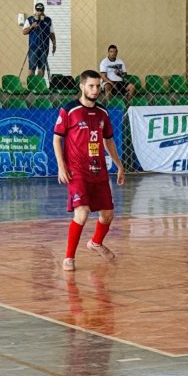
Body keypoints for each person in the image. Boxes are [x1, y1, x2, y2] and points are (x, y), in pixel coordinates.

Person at [53, 69, 126, 272]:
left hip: (99, 171)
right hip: (77, 171)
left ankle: (95, 243)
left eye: (97, 86)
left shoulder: (103, 112)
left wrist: (119, 165)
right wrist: (61, 166)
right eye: (91, 86)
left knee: (108, 215)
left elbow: (108, 140)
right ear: (82, 86)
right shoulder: (69, 110)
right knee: (82, 212)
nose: (95, 90)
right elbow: (57, 139)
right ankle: (69, 257)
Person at [21, 2, 56, 77]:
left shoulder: (48, 20)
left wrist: (54, 44)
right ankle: (31, 83)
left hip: (44, 48)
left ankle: (39, 83)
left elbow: (52, 33)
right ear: (35, 10)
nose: (39, 12)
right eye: (38, 10)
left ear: (43, 10)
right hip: (33, 48)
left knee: (42, 68)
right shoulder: (30, 19)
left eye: (41, 10)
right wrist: (31, 26)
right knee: (32, 68)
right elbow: (24, 32)